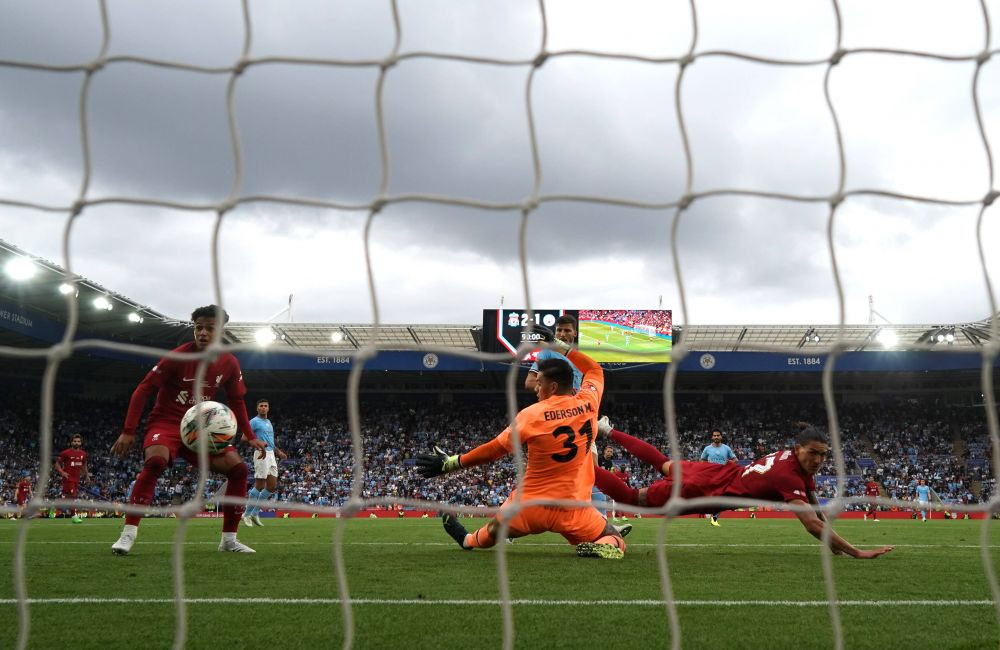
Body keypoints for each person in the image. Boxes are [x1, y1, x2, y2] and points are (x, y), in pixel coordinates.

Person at [416, 339, 626, 559]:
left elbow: (495, 449)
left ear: (553, 387)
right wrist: (559, 346)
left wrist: (452, 462)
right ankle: (606, 546)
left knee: (493, 531)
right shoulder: (589, 402)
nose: (535, 387)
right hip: (572, 507)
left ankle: (467, 540)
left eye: (540, 382)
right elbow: (594, 369)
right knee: (615, 538)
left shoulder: (531, 415)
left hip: (530, 506)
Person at [595, 419, 893, 559]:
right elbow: (812, 523)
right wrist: (855, 551)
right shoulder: (789, 475)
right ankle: (581, 466)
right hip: (706, 491)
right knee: (631, 498)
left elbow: (814, 504)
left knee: (663, 463)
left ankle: (607, 430)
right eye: (813, 453)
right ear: (798, 449)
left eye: (823, 455)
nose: (818, 460)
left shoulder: (794, 460)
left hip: (715, 472)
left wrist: (833, 545)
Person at [110, 305, 266, 554]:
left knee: (239, 469)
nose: (202, 333)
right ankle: (128, 535)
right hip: (167, 423)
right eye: (198, 328)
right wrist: (129, 430)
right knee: (156, 464)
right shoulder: (178, 356)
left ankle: (228, 540)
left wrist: (250, 436)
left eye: (209, 328)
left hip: (201, 430)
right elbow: (144, 389)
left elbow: (237, 401)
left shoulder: (229, 362)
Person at [243, 398, 287, 527]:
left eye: (265, 406)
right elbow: (244, 438)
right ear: (257, 408)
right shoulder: (254, 422)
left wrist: (278, 452)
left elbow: (270, 441)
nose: (263, 407)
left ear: (268, 408)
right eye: (261, 406)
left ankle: (254, 513)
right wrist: (258, 445)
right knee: (260, 485)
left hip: (271, 455)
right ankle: (246, 515)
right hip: (261, 454)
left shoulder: (268, 422)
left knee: (271, 486)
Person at [699, 429, 737, 526]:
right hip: (710, 476)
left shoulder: (726, 448)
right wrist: (707, 468)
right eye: (714, 435)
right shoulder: (707, 449)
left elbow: (735, 460)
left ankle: (714, 518)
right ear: (712, 437)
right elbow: (701, 461)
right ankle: (709, 512)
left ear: (721, 437)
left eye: (718, 435)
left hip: (723, 477)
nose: (716, 437)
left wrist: (727, 466)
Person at [55, 434, 90, 522]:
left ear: (81, 443)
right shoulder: (65, 453)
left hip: (76, 479)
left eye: (78, 441)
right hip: (68, 478)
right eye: (75, 441)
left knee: (70, 497)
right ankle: (74, 516)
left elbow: (84, 465)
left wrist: (87, 476)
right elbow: (57, 464)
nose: (76, 443)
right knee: (73, 496)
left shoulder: (83, 454)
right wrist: (62, 472)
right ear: (71, 442)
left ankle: (59, 505)